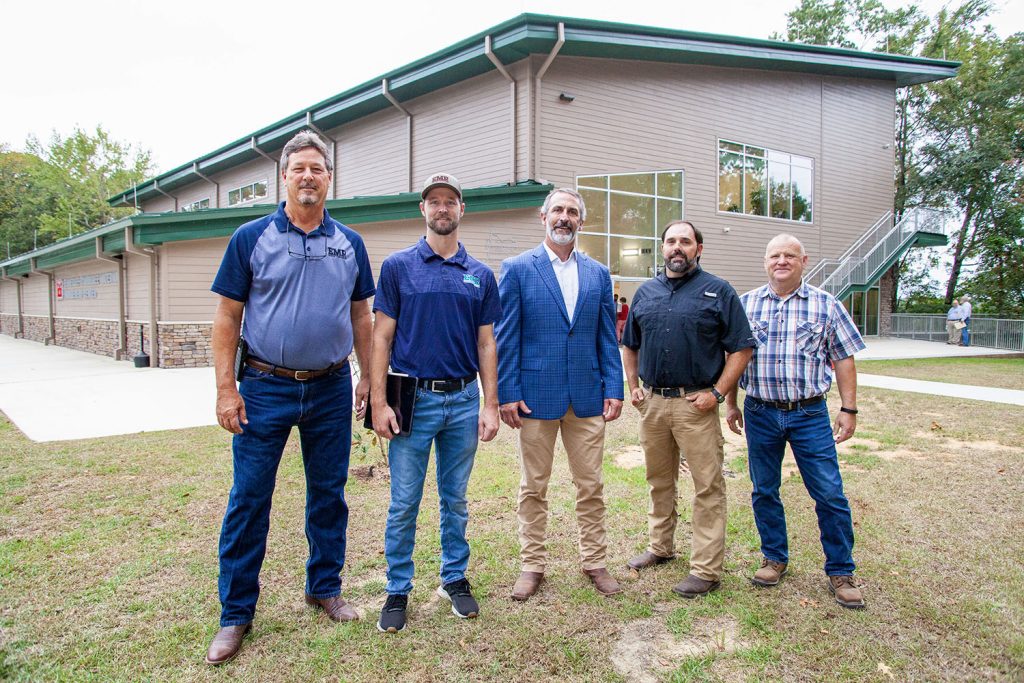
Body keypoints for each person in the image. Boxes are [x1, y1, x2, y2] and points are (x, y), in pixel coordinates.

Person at [206, 131, 375, 665]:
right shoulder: (251, 237)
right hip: (263, 386)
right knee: (249, 498)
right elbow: (228, 317)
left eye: (317, 169)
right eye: (298, 168)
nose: (308, 177)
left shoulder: (350, 243)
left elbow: (361, 317)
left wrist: (369, 378)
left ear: (329, 178)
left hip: (329, 388)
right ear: (285, 176)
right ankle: (236, 614)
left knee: (329, 495)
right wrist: (225, 388)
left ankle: (324, 587)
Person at [370, 172, 501, 634]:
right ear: (422, 210)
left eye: (450, 201)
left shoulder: (481, 275)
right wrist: (379, 402)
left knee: (456, 499)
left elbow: (487, 344)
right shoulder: (398, 267)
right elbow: (381, 337)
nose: (442, 208)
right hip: (412, 403)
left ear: (461, 210)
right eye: (434, 202)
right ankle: (398, 588)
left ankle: (454, 578)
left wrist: (489, 404)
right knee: (404, 501)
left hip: (463, 401)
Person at [495, 188, 625, 601]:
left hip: (587, 396)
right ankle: (532, 565)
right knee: (533, 486)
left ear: (580, 221)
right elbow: (506, 335)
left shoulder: (599, 274)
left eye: (572, 212)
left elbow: (608, 335)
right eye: (557, 210)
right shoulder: (517, 269)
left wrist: (614, 386)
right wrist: (508, 392)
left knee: (591, 485)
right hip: (535, 397)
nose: (564, 217)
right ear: (543, 216)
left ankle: (595, 561)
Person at [725, 233, 867, 609]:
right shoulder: (746, 304)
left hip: (809, 413)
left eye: (790, 255)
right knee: (764, 489)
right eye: (775, 255)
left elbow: (844, 358)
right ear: (765, 261)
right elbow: (736, 357)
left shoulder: (827, 305)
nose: (782, 261)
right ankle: (774, 558)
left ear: (804, 261)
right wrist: (731, 404)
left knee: (829, 493)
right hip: (760, 412)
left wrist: (848, 408)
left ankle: (841, 570)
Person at [621, 220, 754, 598]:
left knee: (707, 486)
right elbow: (630, 344)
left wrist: (717, 392)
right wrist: (633, 386)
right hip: (654, 403)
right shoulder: (645, 293)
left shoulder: (719, 292)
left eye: (685, 241)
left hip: (696, 404)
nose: (677, 247)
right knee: (659, 480)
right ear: (662, 248)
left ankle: (706, 569)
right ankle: (660, 548)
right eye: (670, 242)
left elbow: (741, 348)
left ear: (699, 248)